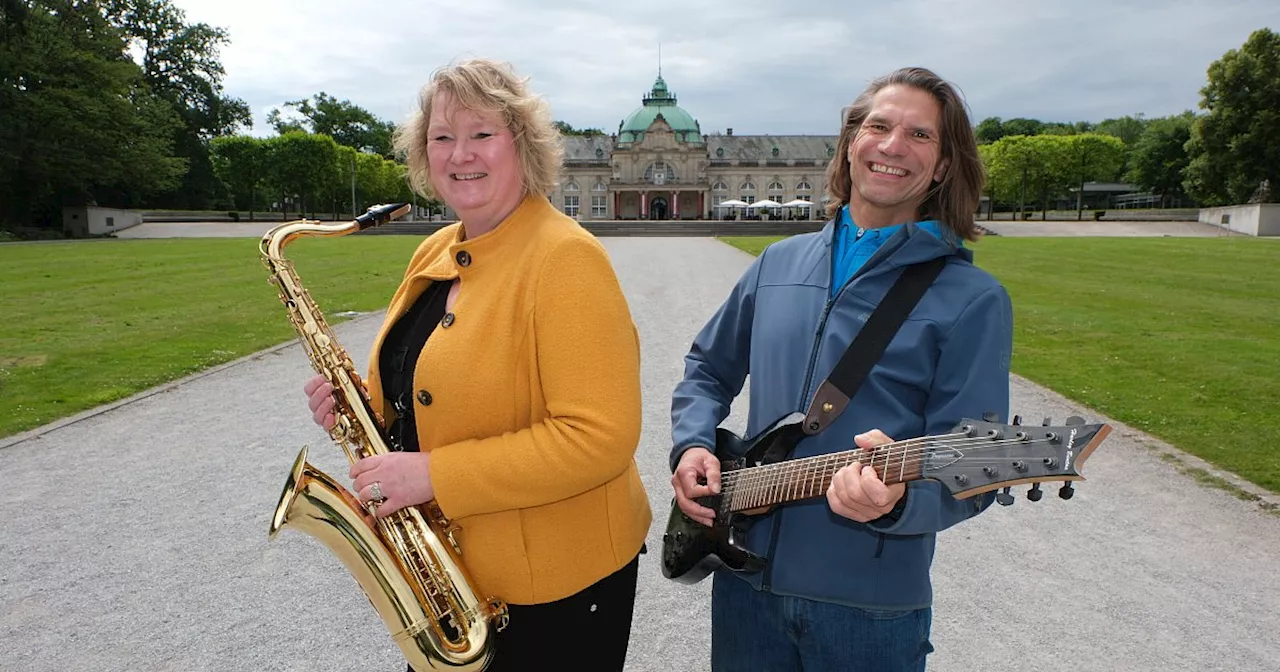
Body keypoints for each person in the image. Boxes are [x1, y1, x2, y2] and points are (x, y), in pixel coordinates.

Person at [302, 58, 651, 671]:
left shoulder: (566, 258)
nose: (460, 153)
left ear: (522, 145)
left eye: (482, 134)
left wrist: (435, 475)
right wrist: (358, 408)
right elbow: (422, 393)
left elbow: (601, 438)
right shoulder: (437, 248)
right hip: (450, 580)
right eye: (442, 137)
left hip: (558, 589)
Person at [668, 66, 1013, 671]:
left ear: (946, 165)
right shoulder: (777, 261)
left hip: (868, 608)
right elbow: (706, 367)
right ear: (852, 142)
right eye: (878, 125)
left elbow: (978, 462)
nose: (892, 145)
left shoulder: (972, 298)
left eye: (920, 135)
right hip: (745, 584)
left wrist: (901, 500)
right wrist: (693, 444)